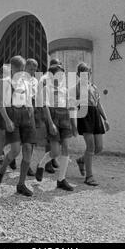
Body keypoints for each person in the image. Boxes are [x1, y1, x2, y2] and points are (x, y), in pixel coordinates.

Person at [0, 56, 36, 197]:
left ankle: (21, 184)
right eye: (18, 69)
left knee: (28, 149)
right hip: (12, 116)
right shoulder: (4, 83)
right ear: (12, 68)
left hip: (27, 116)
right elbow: (1, 104)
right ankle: (2, 169)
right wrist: (7, 121)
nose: (21, 72)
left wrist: (31, 114)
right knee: (16, 150)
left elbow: (29, 100)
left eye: (23, 69)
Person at [35, 63, 78, 191]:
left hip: (64, 118)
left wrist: (74, 124)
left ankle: (61, 180)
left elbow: (70, 107)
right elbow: (45, 106)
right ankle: (41, 164)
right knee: (55, 152)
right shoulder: (46, 88)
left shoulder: (64, 90)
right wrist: (51, 123)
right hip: (53, 118)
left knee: (66, 147)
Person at [75, 62, 110, 186]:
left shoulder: (94, 87)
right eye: (84, 73)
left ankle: (81, 160)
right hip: (84, 115)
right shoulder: (77, 88)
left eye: (88, 72)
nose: (87, 75)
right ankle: (89, 177)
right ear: (79, 74)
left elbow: (99, 104)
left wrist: (105, 119)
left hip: (95, 115)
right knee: (90, 147)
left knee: (99, 147)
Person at [36, 58, 62, 174]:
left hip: (56, 109)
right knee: (49, 137)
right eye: (56, 66)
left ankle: (52, 159)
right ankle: (47, 164)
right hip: (46, 109)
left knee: (55, 136)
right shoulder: (44, 78)